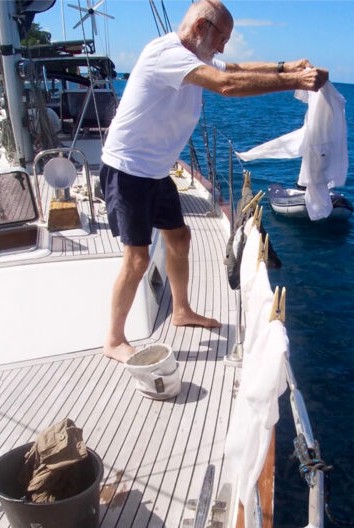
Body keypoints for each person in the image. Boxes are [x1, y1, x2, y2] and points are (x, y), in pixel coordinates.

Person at [100, 0, 328, 362]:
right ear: (201, 29)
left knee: (179, 238)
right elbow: (226, 84)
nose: (223, 48)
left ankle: (181, 310)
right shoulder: (168, 53)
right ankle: (113, 340)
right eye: (222, 38)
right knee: (137, 260)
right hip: (129, 171)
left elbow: (234, 67)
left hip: (156, 171)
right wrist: (293, 82)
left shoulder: (194, 55)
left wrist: (284, 66)